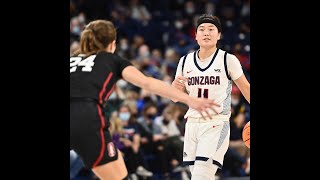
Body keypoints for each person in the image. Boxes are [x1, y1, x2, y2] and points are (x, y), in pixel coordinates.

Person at [70, 19, 221, 180]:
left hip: (82, 115)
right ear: (112, 44)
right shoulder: (110, 59)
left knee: (117, 159)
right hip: (84, 115)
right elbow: (148, 83)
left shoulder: (72, 59)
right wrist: (190, 100)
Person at [171, 14, 250, 180]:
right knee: (199, 176)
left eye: (211, 29)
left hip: (215, 124)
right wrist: (175, 89)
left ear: (219, 35)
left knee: (200, 176)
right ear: (196, 35)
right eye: (202, 29)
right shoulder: (185, 61)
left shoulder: (228, 60)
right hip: (191, 125)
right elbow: (175, 98)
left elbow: (246, 88)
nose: (206, 33)